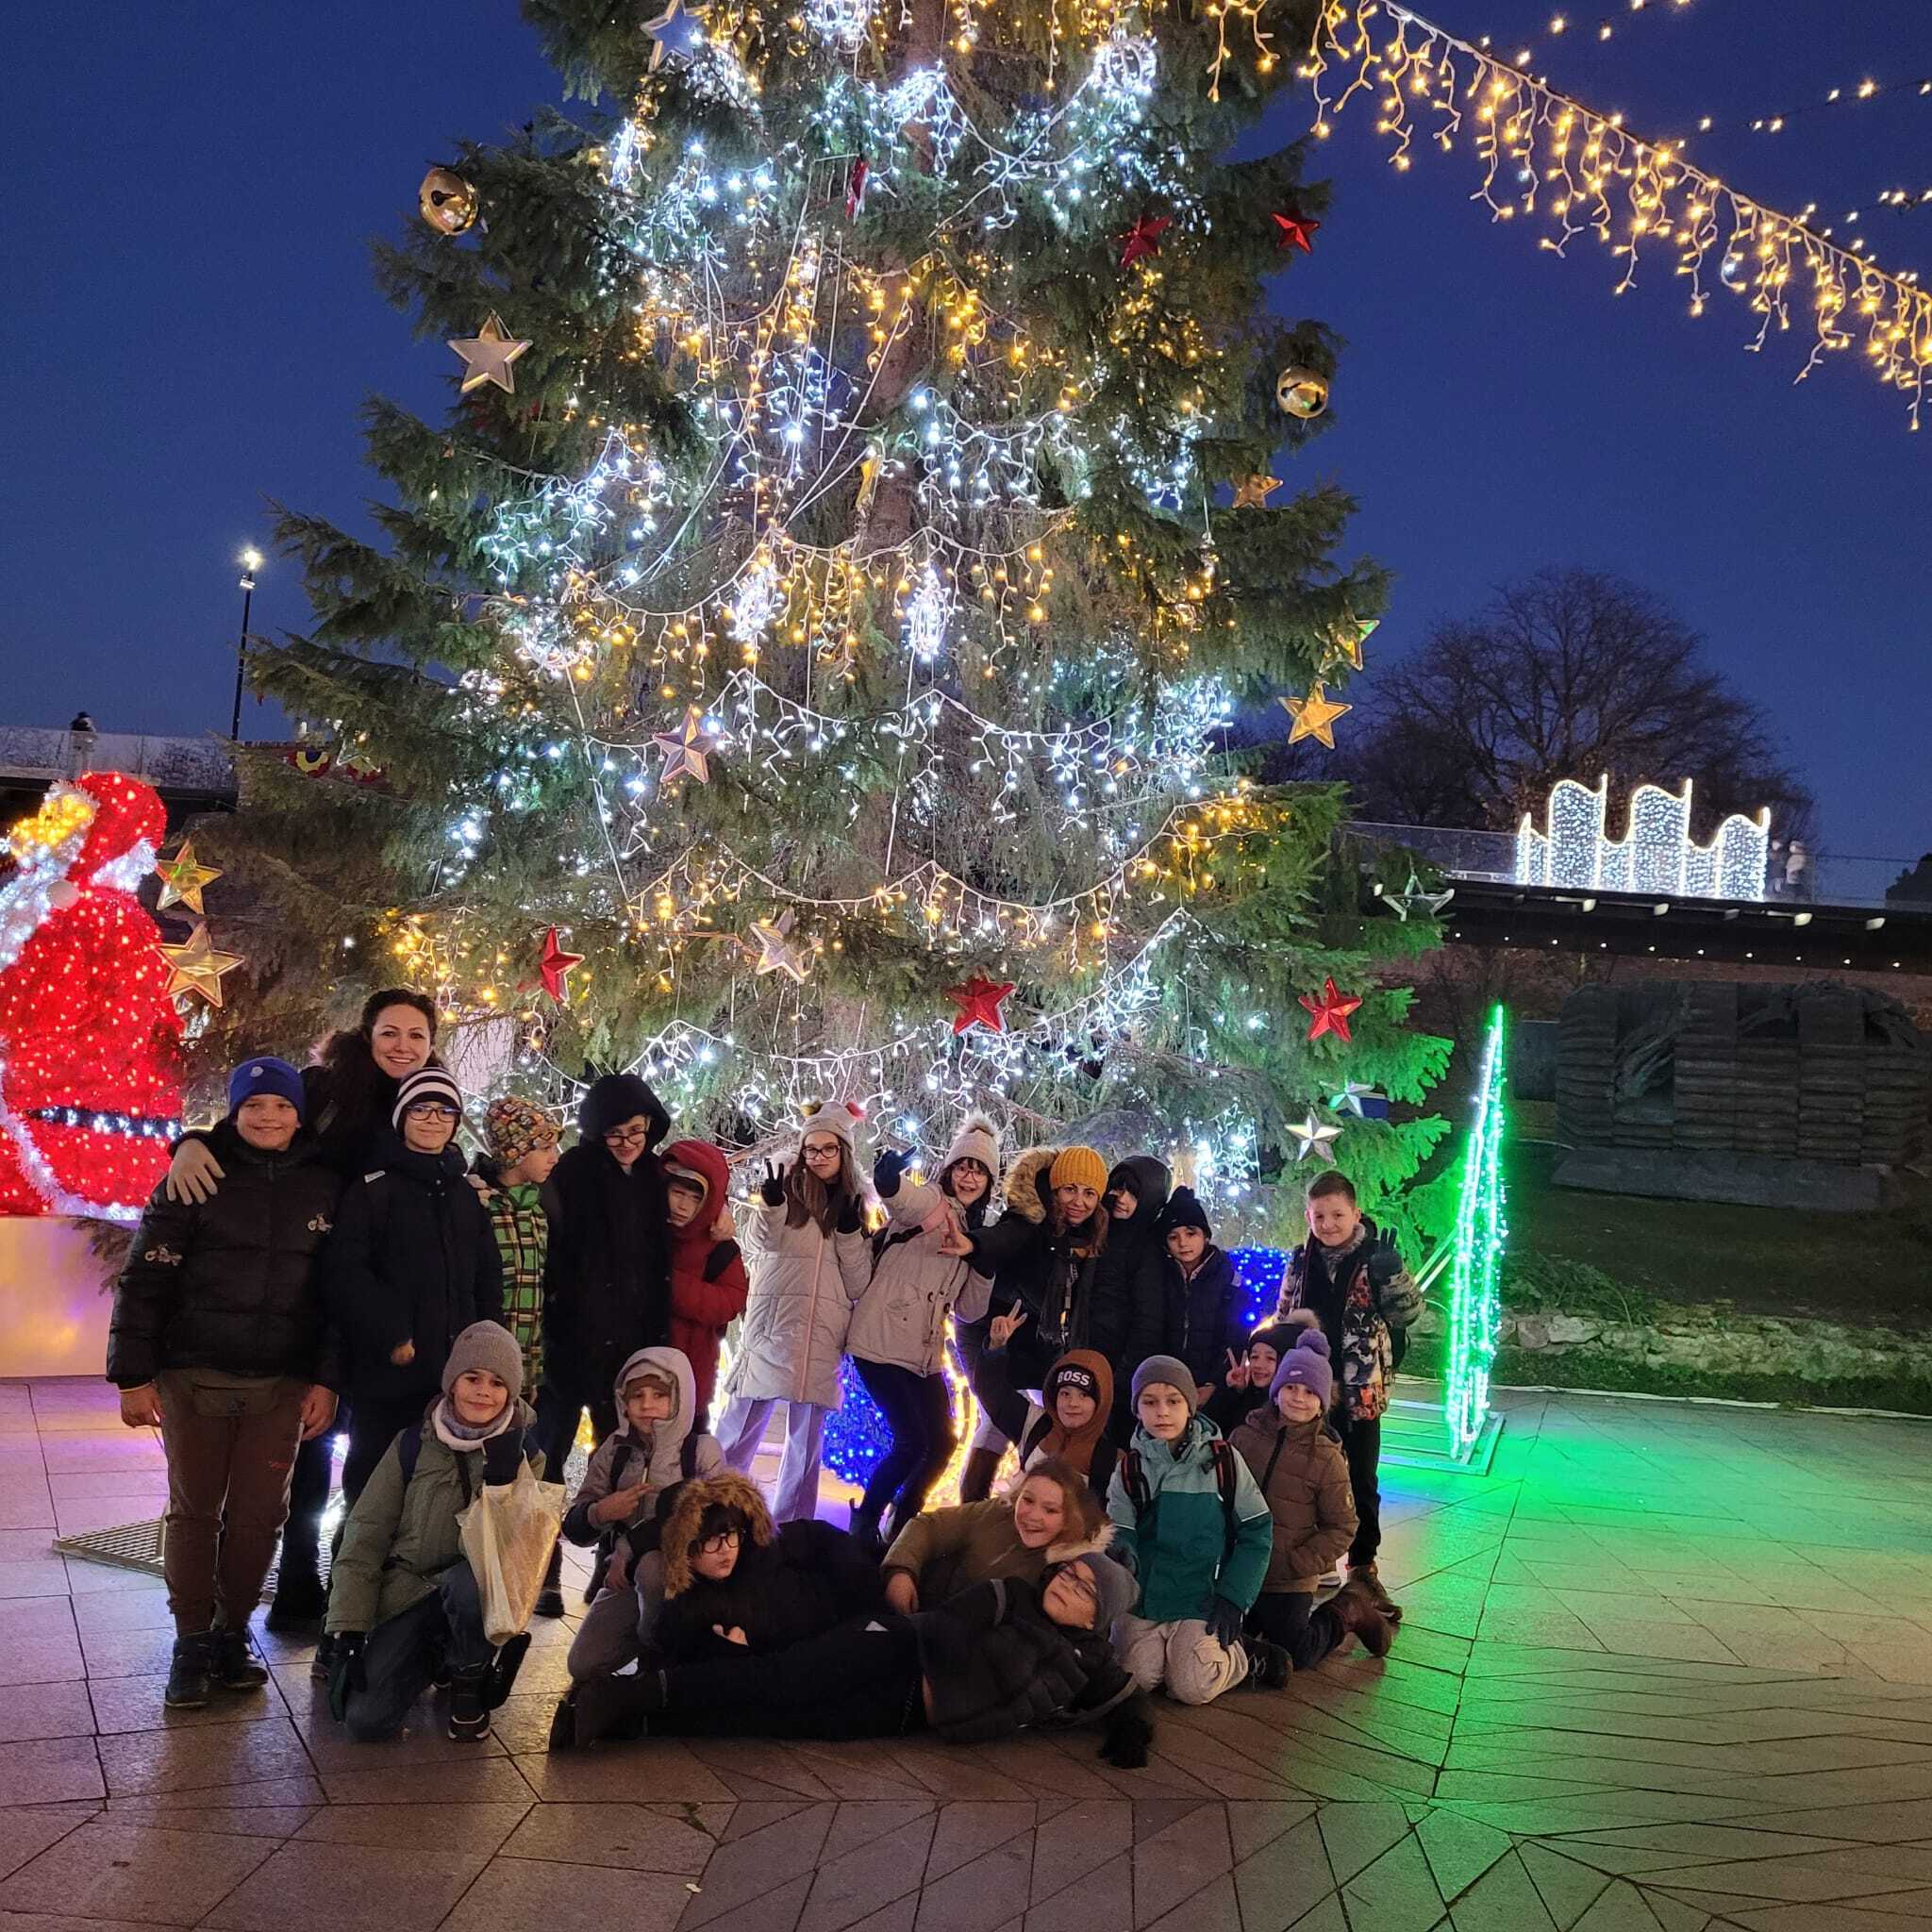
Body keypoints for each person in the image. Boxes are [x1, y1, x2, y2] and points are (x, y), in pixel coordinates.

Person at [163, 988, 441, 1631]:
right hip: (310, 1283)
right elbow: (256, 1125)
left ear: (432, 1045)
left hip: (382, 1300)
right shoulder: (324, 1089)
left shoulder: (429, 1099)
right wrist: (190, 1141)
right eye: (390, 1032)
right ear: (367, 1035)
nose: (402, 1046)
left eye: (416, 1036)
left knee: (369, 1455)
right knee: (308, 1446)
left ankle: (355, 1592)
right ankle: (295, 1582)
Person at [107, 1056, 343, 1710]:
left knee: (259, 1517)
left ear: (300, 1114)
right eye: (254, 1106)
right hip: (193, 1375)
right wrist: (132, 1377)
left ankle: (231, 1634)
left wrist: (326, 1380)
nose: (269, 1117)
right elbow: (144, 1279)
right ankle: (190, 1641)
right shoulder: (196, 1175)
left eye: (282, 1106)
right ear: (234, 1113)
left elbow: (334, 1295)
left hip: (282, 1382)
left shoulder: (325, 1184)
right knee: (195, 1513)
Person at [562, 1549, 1152, 1764]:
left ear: (1096, 1618)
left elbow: (1128, 1699)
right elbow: (947, 1625)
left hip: (904, 1714)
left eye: (1084, 1589)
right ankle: (629, 1693)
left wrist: (1128, 1737)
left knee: (775, 1720)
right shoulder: (1013, 1596)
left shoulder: (1086, 1661)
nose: (1067, 1584)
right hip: (893, 1650)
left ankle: (641, 1721)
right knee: (777, 1681)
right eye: (1068, 1574)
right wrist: (972, 1667)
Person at [551, 1468, 885, 1746]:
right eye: (709, 1541)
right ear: (686, 1549)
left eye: (730, 1535)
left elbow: (826, 1539)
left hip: (855, 1622)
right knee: (759, 1696)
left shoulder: (767, 1548)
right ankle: (617, 1715)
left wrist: (863, 1588)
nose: (725, 1549)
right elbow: (681, 1656)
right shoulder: (692, 1603)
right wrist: (728, 1652)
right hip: (800, 1659)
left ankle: (630, 1713)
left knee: (783, 1692)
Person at [324, 1322, 541, 1743]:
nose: (483, 1392)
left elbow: (518, 1555)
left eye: (498, 1383)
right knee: (366, 1721)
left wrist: (500, 1488)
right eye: (472, 1378)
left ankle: (470, 1677)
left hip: (477, 1592)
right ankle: (435, 1656)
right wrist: (349, 1626)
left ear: (511, 1393)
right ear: (452, 1382)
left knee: (466, 1584)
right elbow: (365, 1534)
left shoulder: (526, 1456)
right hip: (411, 1589)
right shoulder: (411, 1444)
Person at [323, 1067, 505, 1508]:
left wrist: (486, 1351)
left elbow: (486, 1278)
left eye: (445, 1111)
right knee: (373, 1495)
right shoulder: (373, 1190)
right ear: (402, 1116)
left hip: (453, 1379)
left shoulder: (465, 1195)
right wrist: (393, 1333)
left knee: (440, 1500)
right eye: (421, 1109)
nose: (432, 1120)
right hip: (388, 1374)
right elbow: (346, 1272)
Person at [533, 1071, 673, 1615]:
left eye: (636, 1130)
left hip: (629, 1349)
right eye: (615, 1133)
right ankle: (540, 1569)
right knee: (548, 1458)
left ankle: (608, 1565)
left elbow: (659, 1261)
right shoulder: (573, 1171)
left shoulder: (653, 1176)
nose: (628, 1142)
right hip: (571, 1342)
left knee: (619, 1463)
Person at [845, 1113, 1002, 1551]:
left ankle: (903, 1522)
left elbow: (970, 1310)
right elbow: (901, 1198)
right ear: (949, 1170)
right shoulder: (930, 1200)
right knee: (912, 1440)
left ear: (989, 1182)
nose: (969, 1177)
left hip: (923, 1353)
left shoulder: (975, 1232)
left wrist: (983, 1262)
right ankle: (866, 1523)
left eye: (979, 1171)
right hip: (879, 1340)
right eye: (963, 1167)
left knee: (944, 1442)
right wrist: (888, 1179)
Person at [1275, 1172, 1424, 1620]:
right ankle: (1313, 1563)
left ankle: (1363, 1566)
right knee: (1303, 1478)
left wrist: (1392, 1275)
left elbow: (1409, 1314)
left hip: (1360, 1393)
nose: (1328, 1224)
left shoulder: (1373, 1259)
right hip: (1309, 1393)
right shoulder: (1300, 1260)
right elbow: (1283, 1317)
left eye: (1337, 1215)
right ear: (1308, 1216)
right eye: (1319, 1216)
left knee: (1360, 1479)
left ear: (1355, 1214)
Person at [714, 1102, 871, 1525]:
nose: (818, 1157)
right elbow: (760, 1242)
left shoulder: (855, 1203)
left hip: (822, 1335)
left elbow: (858, 1284)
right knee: (737, 1432)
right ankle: (712, 1513)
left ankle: (793, 1530)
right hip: (774, 1326)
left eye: (827, 1149)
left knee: (805, 1450)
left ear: (843, 1151)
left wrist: (851, 1233)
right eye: (811, 1149)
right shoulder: (784, 1185)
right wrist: (771, 1206)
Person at [1108, 1355, 1283, 1704]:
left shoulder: (1223, 1461)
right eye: (1149, 1402)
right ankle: (1174, 1652)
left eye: (1173, 1401)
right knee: (1136, 1678)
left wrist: (1234, 1597)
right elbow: (1119, 1530)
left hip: (1201, 1596)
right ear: (1136, 1409)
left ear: (1190, 1406)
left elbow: (1257, 1530)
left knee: (1191, 1686)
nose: (1162, 1412)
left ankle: (1244, 1656)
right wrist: (1122, 1554)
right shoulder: (1130, 1469)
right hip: (1146, 1600)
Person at [1226, 1330, 1394, 1666]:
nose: (1298, 1398)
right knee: (1229, 1637)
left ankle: (1348, 1609)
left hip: (1290, 1575)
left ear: (1323, 1401)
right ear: (1276, 1392)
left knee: (1296, 1651)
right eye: (1290, 1387)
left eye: (1309, 1392)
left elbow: (1343, 1526)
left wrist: (1301, 1562)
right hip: (1244, 1568)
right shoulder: (1244, 1437)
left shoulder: (1326, 1456)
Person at [953, 1144, 1110, 1494]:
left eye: (1089, 1194)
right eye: (1070, 1190)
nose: (1078, 1202)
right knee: (997, 1422)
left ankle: (1039, 1502)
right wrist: (973, 1245)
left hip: (1039, 1345)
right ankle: (973, 1506)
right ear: (1054, 1190)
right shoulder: (1031, 1224)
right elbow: (1002, 1238)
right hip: (995, 1335)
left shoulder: (1090, 1237)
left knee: (1046, 1425)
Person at [560, 1347, 725, 1682]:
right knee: (584, 1664)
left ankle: (659, 1654)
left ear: (679, 1397)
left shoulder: (701, 1451)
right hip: (625, 1578)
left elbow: (717, 1519)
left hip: (688, 1581)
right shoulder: (615, 1450)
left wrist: (632, 1546)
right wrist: (599, 1512)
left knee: (652, 1567)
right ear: (624, 1401)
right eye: (637, 1396)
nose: (647, 1405)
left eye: (659, 1395)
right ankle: (644, 1636)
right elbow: (575, 1526)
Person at [880, 1456, 1108, 1613]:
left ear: (1068, 1521)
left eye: (1050, 1510)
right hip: (925, 1604)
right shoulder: (997, 1513)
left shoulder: (1066, 1569)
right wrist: (901, 1570)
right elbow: (930, 1526)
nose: (1033, 1516)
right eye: (1028, 1500)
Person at [473, 1095, 563, 1402]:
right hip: (482, 1369)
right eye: (545, 1148)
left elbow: (537, 1298)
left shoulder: (538, 1210)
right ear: (516, 1152)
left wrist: (533, 1373)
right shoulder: (480, 1208)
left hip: (526, 1369)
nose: (555, 1158)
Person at [659, 1139, 750, 1425]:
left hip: (690, 1377)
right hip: (637, 1375)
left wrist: (667, 1284)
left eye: (696, 1198)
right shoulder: (644, 1231)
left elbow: (728, 1302)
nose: (683, 1206)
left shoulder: (720, 1248)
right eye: (677, 1193)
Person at [970, 1342, 1122, 1498]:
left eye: (1084, 1395)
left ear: (1100, 1403)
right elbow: (993, 1392)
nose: (1073, 1403)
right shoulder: (1035, 1423)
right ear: (1054, 1396)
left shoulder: (1112, 1463)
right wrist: (995, 1348)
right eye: (1065, 1394)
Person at [1158, 1187, 1246, 1408]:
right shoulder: (1160, 1276)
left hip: (1211, 1387)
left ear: (1205, 1235)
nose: (1182, 1243)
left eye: (1191, 1233)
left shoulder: (1228, 1278)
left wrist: (1214, 1382)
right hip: (1166, 1383)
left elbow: (1236, 1334)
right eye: (1173, 1237)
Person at [1201, 1322, 1299, 1435]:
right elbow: (1206, 1429)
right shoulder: (1248, 1397)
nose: (1258, 1365)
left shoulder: (1293, 1407)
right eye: (1254, 1357)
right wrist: (1232, 1391)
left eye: (1270, 1358)